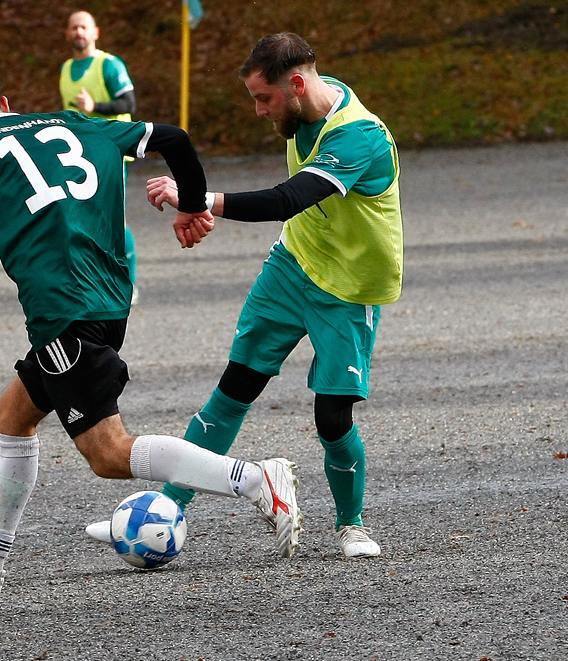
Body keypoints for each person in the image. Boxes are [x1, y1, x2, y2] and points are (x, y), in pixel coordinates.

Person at [0, 53, 302, 606]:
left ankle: (255, 480)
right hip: (107, 301)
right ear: (4, 103)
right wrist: (190, 206)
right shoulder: (76, 122)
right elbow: (174, 136)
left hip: (62, 313)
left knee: (108, 453)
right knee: (14, 414)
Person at [88, 33, 402, 559]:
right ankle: (166, 512)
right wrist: (198, 205)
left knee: (332, 417)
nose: (259, 111)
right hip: (292, 266)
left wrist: (194, 197)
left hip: (349, 290)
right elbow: (286, 208)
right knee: (232, 391)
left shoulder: (359, 137)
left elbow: (287, 199)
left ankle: (351, 525)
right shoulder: (310, 106)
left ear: (296, 85)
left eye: (265, 98)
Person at [60, 10, 140, 305]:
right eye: (73, 28)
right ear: (67, 34)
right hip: (79, 156)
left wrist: (96, 105)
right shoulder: (66, 69)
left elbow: (128, 101)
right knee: (82, 218)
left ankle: (128, 283)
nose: (78, 32)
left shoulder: (108, 64)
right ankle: (94, 280)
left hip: (111, 151)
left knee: (114, 219)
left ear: (96, 32)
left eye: (83, 27)